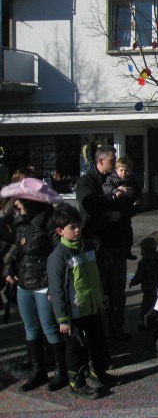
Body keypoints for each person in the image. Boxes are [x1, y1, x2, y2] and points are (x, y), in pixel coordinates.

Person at [1, 178, 67, 392]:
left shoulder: (49, 222)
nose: (17, 204)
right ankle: (38, 371)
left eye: (20, 200)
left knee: (49, 328)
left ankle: (61, 371)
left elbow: (59, 255)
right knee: (30, 329)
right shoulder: (21, 223)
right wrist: (9, 268)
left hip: (43, 283)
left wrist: (54, 287)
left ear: (31, 202)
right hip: (24, 284)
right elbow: (16, 252)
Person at [48, 205, 115, 399]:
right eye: (72, 227)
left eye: (78, 225)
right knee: (75, 349)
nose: (77, 230)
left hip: (92, 307)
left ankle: (98, 373)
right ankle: (76, 382)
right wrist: (63, 319)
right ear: (60, 231)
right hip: (74, 312)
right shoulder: (58, 256)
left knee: (98, 342)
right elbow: (57, 289)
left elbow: (97, 275)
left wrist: (103, 297)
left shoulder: (88, 246)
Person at [76, 146, 129, 341]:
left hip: (115, 241)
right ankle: (103, 334)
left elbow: (126, 205)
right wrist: (111, 200)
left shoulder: (112, 179)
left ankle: (117, 328)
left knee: (117, 289)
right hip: (96, 242)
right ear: (100, 162)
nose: (115, 165)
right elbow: (89, 205)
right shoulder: (86, 182)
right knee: (101, 291)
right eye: (111, 161)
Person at [102, 156, 142, 261]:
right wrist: (115, 191)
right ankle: (115, 250)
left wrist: (137, 199)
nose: (124, 173)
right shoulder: (111, 179)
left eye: (126, 170)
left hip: (127, 209)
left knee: (127, 231)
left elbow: (138, 191)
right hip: (115, 207)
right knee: (115, 230)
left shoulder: (133, 180)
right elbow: (105, 188)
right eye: (121, 170)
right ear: (116, 170)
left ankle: (127, 250)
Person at [128, 236, 158, 330]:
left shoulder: (143, 262)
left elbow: (139, 275)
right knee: (157, 304)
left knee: (146, 306)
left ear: (143, 250)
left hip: (148, 288)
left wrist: (133, 282)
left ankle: (145, 323)